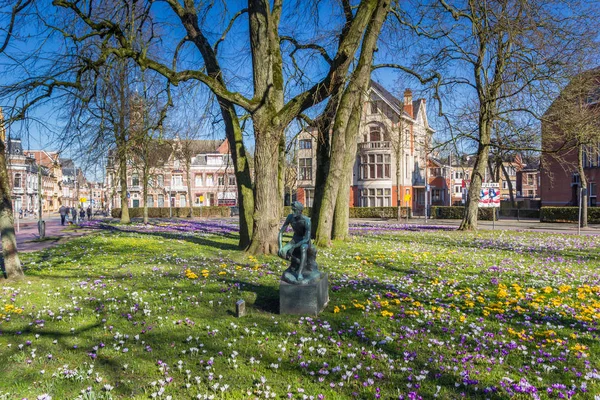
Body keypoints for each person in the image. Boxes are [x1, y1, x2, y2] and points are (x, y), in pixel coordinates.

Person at [277, 201, 320, 284]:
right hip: (294, 239)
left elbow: (307, 238)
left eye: (294, 210)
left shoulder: (306, 221)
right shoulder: (290, 217)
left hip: (304, 241)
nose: (292, 212)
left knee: (303, 248)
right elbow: (281, 232)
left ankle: (300, 272)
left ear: (300, 211)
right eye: (292, 210)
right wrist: (281, 247)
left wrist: (295, 246)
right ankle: (296, 263)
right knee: (281, 253)